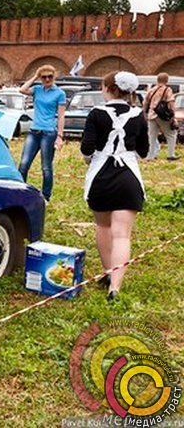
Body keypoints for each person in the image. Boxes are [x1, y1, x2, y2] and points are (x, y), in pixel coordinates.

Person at [80, 71, 149, 301]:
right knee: (122, 236)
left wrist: (92, 156)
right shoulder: (139, 115)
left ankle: (108, 273)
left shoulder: (96, 113)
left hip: (101, 176)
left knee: (103, 227)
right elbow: (144, 151)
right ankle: (115, 288)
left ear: (109, 88)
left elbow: (87, 149)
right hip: (128, 178)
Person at [18, 64, 66, 202]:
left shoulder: (59, 93)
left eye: (49, 76)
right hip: (34, 131)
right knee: (23, 164)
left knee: (46, 167)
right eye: (43, 77)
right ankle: (21, 193)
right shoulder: (37, 89)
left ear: (54, 76)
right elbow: (22, 89)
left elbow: (61, 115)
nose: (46, 79)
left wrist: (60, 136)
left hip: (49, 133)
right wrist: (35, 77)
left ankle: (46, 196)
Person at [143, 72, 178, 161]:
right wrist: (173, 116)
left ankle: (150, 156)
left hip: (151, 115)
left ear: (157, 80)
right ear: (166, 80)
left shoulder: (151, 90)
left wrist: (145, 114)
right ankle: (171, 155)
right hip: (163, 115)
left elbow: (145, 103)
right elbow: (171, 102)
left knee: (151, 136)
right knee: (171, 134)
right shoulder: (167, 89)